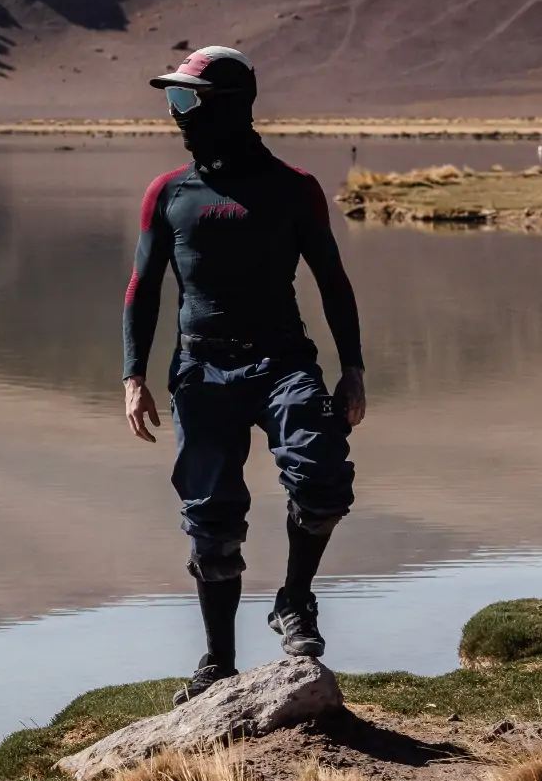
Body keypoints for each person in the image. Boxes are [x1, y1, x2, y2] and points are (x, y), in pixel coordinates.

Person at [122, 46, 366, 704]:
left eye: (185, 99)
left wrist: (353, 371)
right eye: (173, 99)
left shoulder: (294, 190)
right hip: (202, 369)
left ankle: (294, 599)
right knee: (211, 517)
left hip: (283, 359)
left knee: (322, 481)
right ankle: (217, 665)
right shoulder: (169, 194)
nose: (176, 114)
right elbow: (143, 288)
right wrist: (132, 374)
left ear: (226, 105)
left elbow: (334, 283)